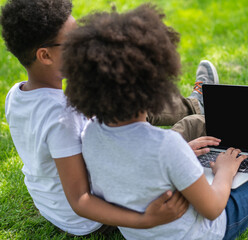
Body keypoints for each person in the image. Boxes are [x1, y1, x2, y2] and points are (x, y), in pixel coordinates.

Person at [62, 4, 248, 240]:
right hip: (213, 227)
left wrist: (183, 156)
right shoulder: (167, 146)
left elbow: (133, 173)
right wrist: (225, 172)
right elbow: (212, 209)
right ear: (155, 83)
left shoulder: (90, 135)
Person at [0, 0, 218, 236]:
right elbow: (81, 200)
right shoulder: (62, 118)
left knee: (126, 99)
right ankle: (222, 117)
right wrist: (145, 219)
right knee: (177, 134)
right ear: (45, 55)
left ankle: (197, 103)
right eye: (74, 41)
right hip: (93, 217)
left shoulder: (16, 93)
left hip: (50, 206)